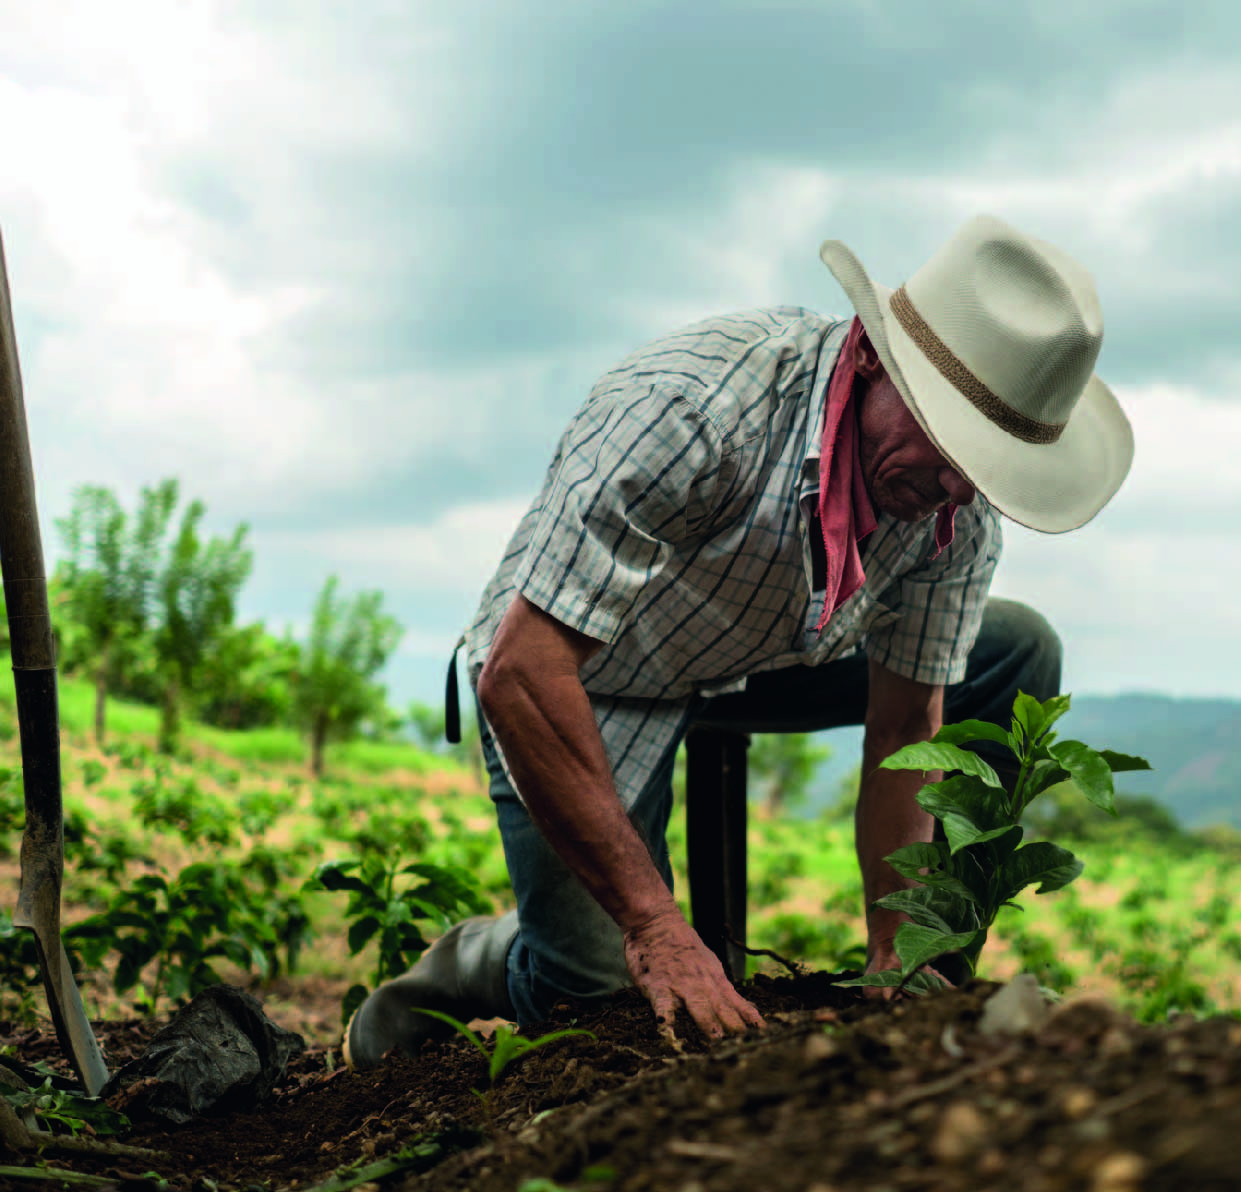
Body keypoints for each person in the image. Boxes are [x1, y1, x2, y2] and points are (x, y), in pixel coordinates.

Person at [343, 214, 1135, 1068]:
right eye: (946, 446)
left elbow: (908, 727)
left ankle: (929, 975)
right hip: (590, 669)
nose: (954, 489)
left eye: (981, 468)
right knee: (596, 993)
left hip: (766, 653)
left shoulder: (952, 508)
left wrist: (897, 946)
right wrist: (653, 925)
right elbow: (524, 670)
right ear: (871, 358)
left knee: (1016, 649)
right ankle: (479, 960)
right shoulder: (693, 410)